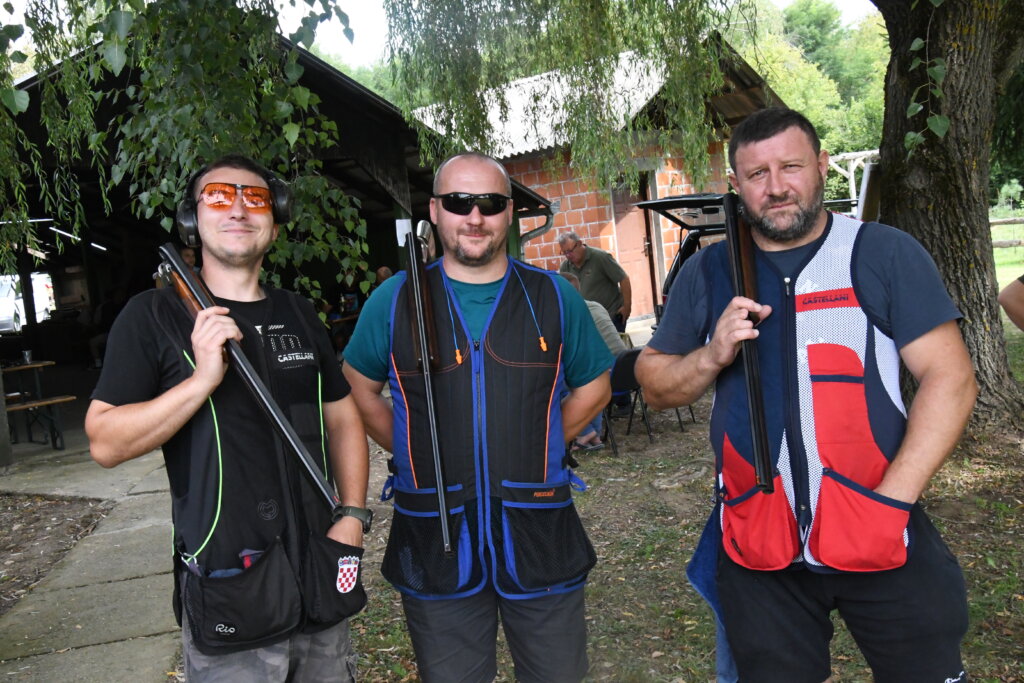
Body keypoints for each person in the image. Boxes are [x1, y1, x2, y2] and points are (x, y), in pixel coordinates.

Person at [635, 108, 977, 682]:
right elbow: (653, 383)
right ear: (736, 185)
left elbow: (951, 378)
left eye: (790, 166)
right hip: (758, 540)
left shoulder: (883, 252)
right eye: (756, 174)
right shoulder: (709, 271)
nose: (776, 187)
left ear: (820, 166)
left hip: (879, 521)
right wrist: (711, 354)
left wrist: (891, 503)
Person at [85, 154, 370, 682]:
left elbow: (343, 415)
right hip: (229, 585)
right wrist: (201, 380)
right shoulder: (153, 318)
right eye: (219, 196)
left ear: (275, 221)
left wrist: (352, 514)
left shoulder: (298, 312)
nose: (238, 208)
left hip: (319, 570)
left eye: (255, 198)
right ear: (194, 220)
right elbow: (105, 441)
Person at [343, 151, 613, 683]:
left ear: (508, 213)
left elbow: (596, 385)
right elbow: (357, 391)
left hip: (539, 534)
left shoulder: (552, 296)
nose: (474, 217)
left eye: (489, 203)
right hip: (435, 538)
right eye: (459, 202)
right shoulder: (394, 301)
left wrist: (546, 441)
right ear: (435, 212)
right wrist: (410, 447)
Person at [561, 271, 626, 451]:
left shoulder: (569, 312)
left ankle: (585, 432)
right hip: (626, 368)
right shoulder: (595, 305)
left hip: (608, 370)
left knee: (563, 384)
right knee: (590, 378)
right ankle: (594, 435)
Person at [558, 231, 632, 332]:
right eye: (564, 253)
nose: (568, 255)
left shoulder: (600, 257)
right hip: (588, 322)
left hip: (611, 317)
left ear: (579, 244)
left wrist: (627, 307)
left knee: (613, 347)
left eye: (570, 251)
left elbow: (623, 279)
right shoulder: (565, 266)